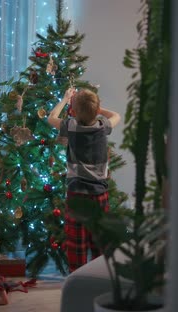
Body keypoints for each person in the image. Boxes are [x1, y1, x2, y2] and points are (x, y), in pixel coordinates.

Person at [48, 88, 121, 272]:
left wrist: (65, 99)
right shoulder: (102, 126)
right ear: (96, 111)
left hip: (76, 195)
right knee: (99, 241)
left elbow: (51, 117)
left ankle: (76, 276)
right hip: (99, 195)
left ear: (72, 111)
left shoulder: (71, 126)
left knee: (76, 243)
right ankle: (99, 277)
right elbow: (116, 115)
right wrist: (99, 110)